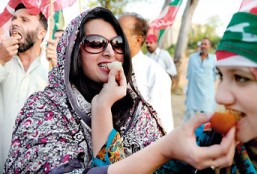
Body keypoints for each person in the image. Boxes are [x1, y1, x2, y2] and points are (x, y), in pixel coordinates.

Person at [77, 0, 257, 173]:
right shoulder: (207, 140)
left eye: (241, 78)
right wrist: (102, 107)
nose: (221, 96)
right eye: (221, 75)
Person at [4, 6, 165, 173]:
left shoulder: (136, 111)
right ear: (74, 50)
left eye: (117, 43)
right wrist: (102, 107)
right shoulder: (43, 109)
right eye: (95, 43)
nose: (110, 52)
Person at [0, 3, 49, 170]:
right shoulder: (2, 60)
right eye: (14, 18)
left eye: (24, 20)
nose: (14, 23)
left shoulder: (50, 73)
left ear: (41, 33)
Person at [118, 12, 174, 133]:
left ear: (137, 40)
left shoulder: (156, 74)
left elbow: (162, 123)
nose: (113, 38)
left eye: (120, 34)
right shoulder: (106, 68)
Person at [184, 37, 217, 121]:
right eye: (202, 44)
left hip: (207, 97)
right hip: (193, 95)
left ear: (210, 46)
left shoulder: (214, 59)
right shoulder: (192, 58)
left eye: (205, 44)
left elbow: (215, 76)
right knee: (190, 121)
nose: (203, 46)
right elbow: (189, 74)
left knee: (206, 122)